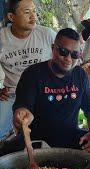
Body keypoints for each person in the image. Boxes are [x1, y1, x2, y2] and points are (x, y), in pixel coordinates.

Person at [0, 28, 90, 169]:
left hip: (69, 135)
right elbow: (23, 106)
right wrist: (22, 114)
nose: (69, 59)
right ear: (53, 48)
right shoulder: (33, 74)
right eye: (63, 51)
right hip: (35, 138)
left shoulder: (80, 75)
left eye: (75, 54)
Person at [0, 0, 56, 141]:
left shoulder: (47, 34)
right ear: (11, 17)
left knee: (51, 134)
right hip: (12, 95)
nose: (33, 16)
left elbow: (66, 60)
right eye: (27, 12)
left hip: (44, 94)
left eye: (34, 11)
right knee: (1, 134)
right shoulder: (2, 38)